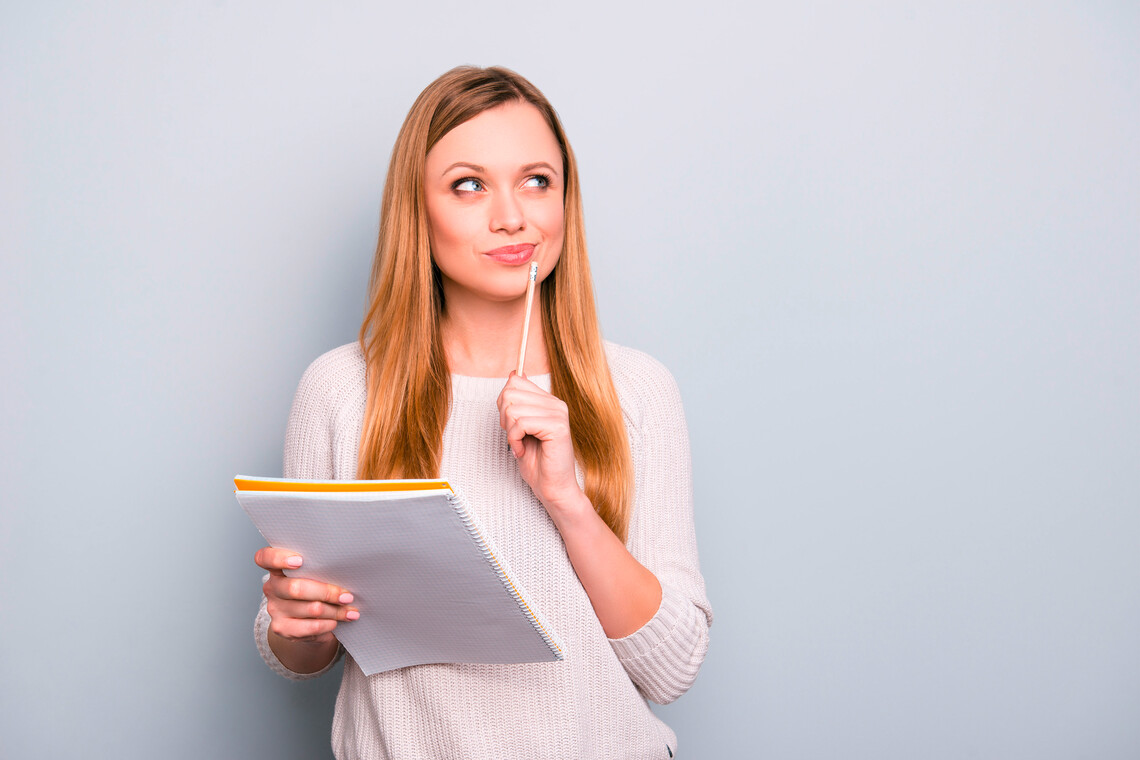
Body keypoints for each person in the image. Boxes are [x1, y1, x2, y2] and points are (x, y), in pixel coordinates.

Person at [253, 65, 712, 759]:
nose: (512, 216)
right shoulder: (342, 391)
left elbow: (672, 668)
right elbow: (305, 655)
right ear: (418, 207)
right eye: (469, 185)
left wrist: (569, 503)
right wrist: (296, 623)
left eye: (537, 181)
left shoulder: (637, 390)